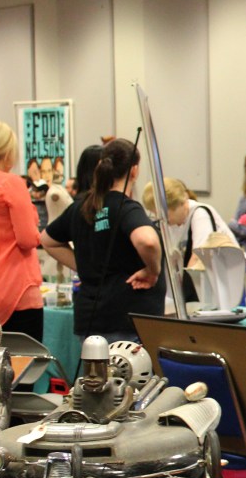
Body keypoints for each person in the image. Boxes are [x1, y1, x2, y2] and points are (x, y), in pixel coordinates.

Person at [41, 138, 165, 342]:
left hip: (90, 319)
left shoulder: (81, 207)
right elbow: (147, 241)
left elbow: (47, 240)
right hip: (127, 320)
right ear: (134, 171)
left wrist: (82, 265)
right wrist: (153, 270)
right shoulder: (125, 207)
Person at [141, 178, 246, 303]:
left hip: (235, 285)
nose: (159, 218)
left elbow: (197, 260)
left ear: (180, 204)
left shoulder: (201, 215)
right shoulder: (168, 224)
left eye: (164, 214)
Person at [0, 121, 44, 340]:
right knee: (23, 360)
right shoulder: (11, 183)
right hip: (17, 292)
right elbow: (27, 239)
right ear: (7, 152)